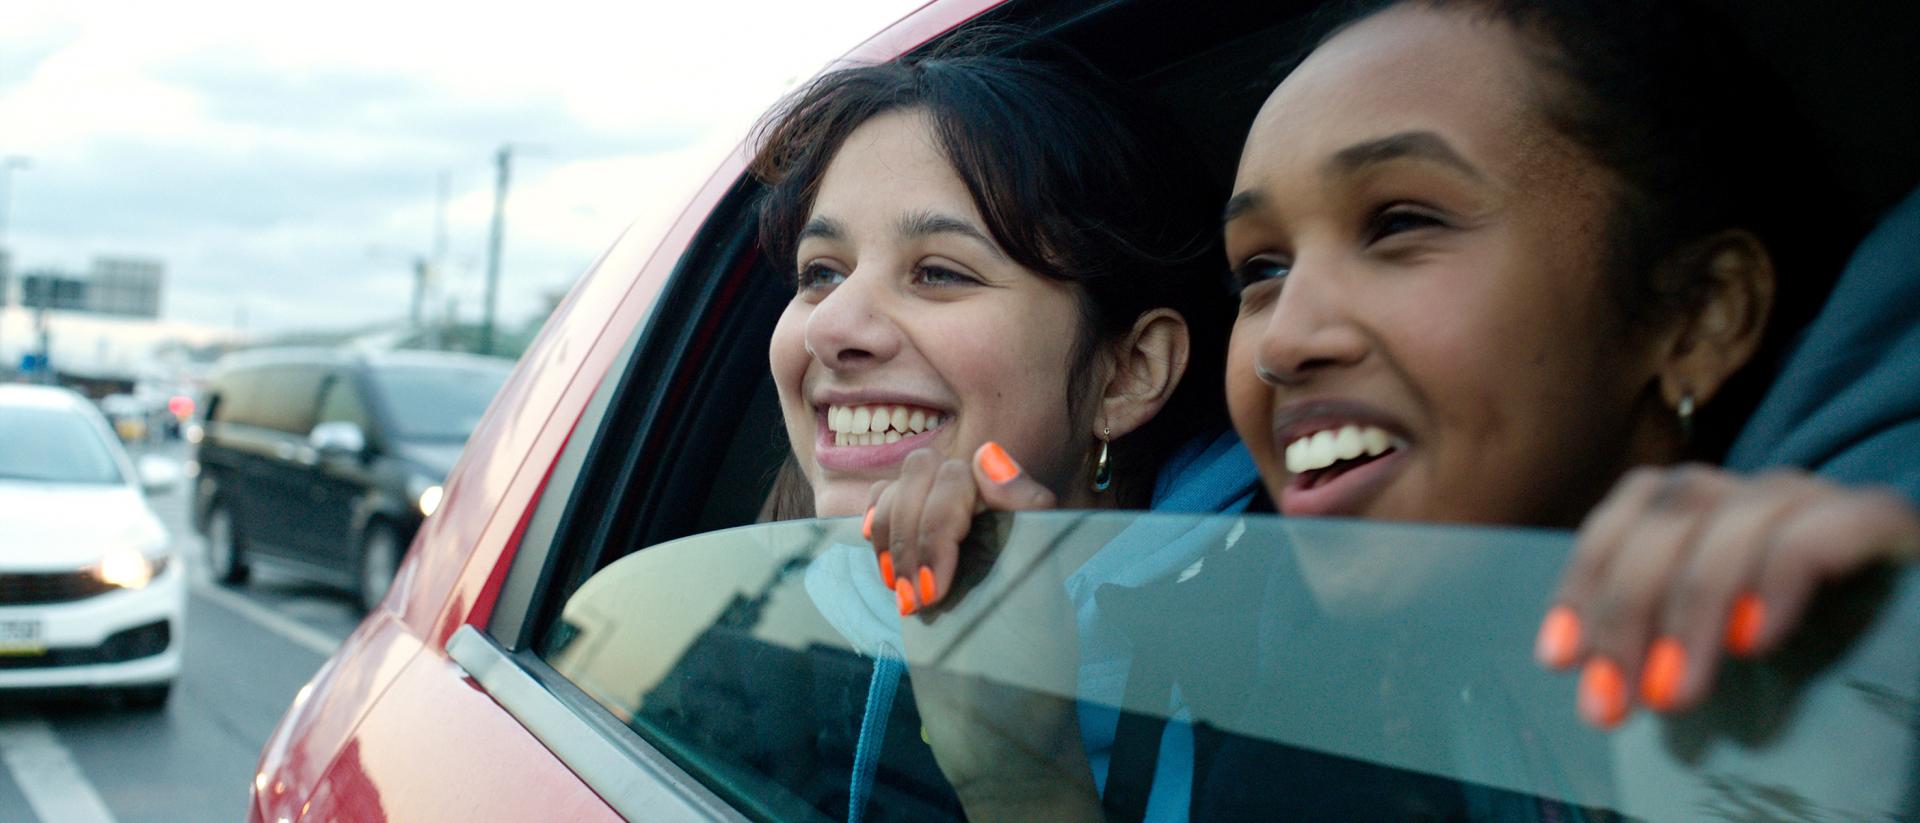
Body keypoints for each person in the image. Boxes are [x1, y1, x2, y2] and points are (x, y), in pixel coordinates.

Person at [1221, 0, 1920, 745]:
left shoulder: (1862, 611)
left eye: (1400, 223)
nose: (1285, 341)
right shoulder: (1429, 691)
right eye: (1261, 269)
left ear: (1699, 315)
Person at [750, 35, 1261, 820]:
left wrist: (1022, 782)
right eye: (821, 272)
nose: (832, 326)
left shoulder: (1290, 690)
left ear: (1129, 373)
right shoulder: (757, 628)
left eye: (939, 272)